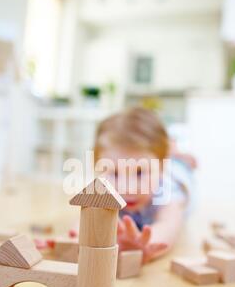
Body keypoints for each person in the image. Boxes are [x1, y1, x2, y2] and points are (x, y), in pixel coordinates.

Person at [71, 107, 195, 263]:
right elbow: (85, 221)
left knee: (180, 163)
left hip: (178, 172)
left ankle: (176, 154)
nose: (127, 187)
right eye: (115, 173)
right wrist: (71, 242)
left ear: (161, 168)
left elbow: (168, 227)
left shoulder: (169, 192)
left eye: (139, 173)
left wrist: (142, 246)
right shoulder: (104, 188)